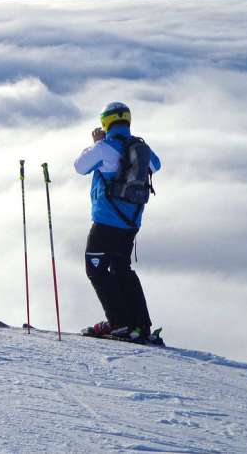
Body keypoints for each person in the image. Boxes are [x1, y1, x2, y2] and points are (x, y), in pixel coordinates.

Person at [74, 101, 161, 341]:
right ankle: (140, 325)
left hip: (105, 222)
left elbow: (80, 167)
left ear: (106, 122)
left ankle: (119, 323)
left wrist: (98, 143)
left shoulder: (104, 148)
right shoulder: (139, 148)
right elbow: (157, 165)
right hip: (131, 224)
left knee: (96, 270)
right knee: (122, 268)